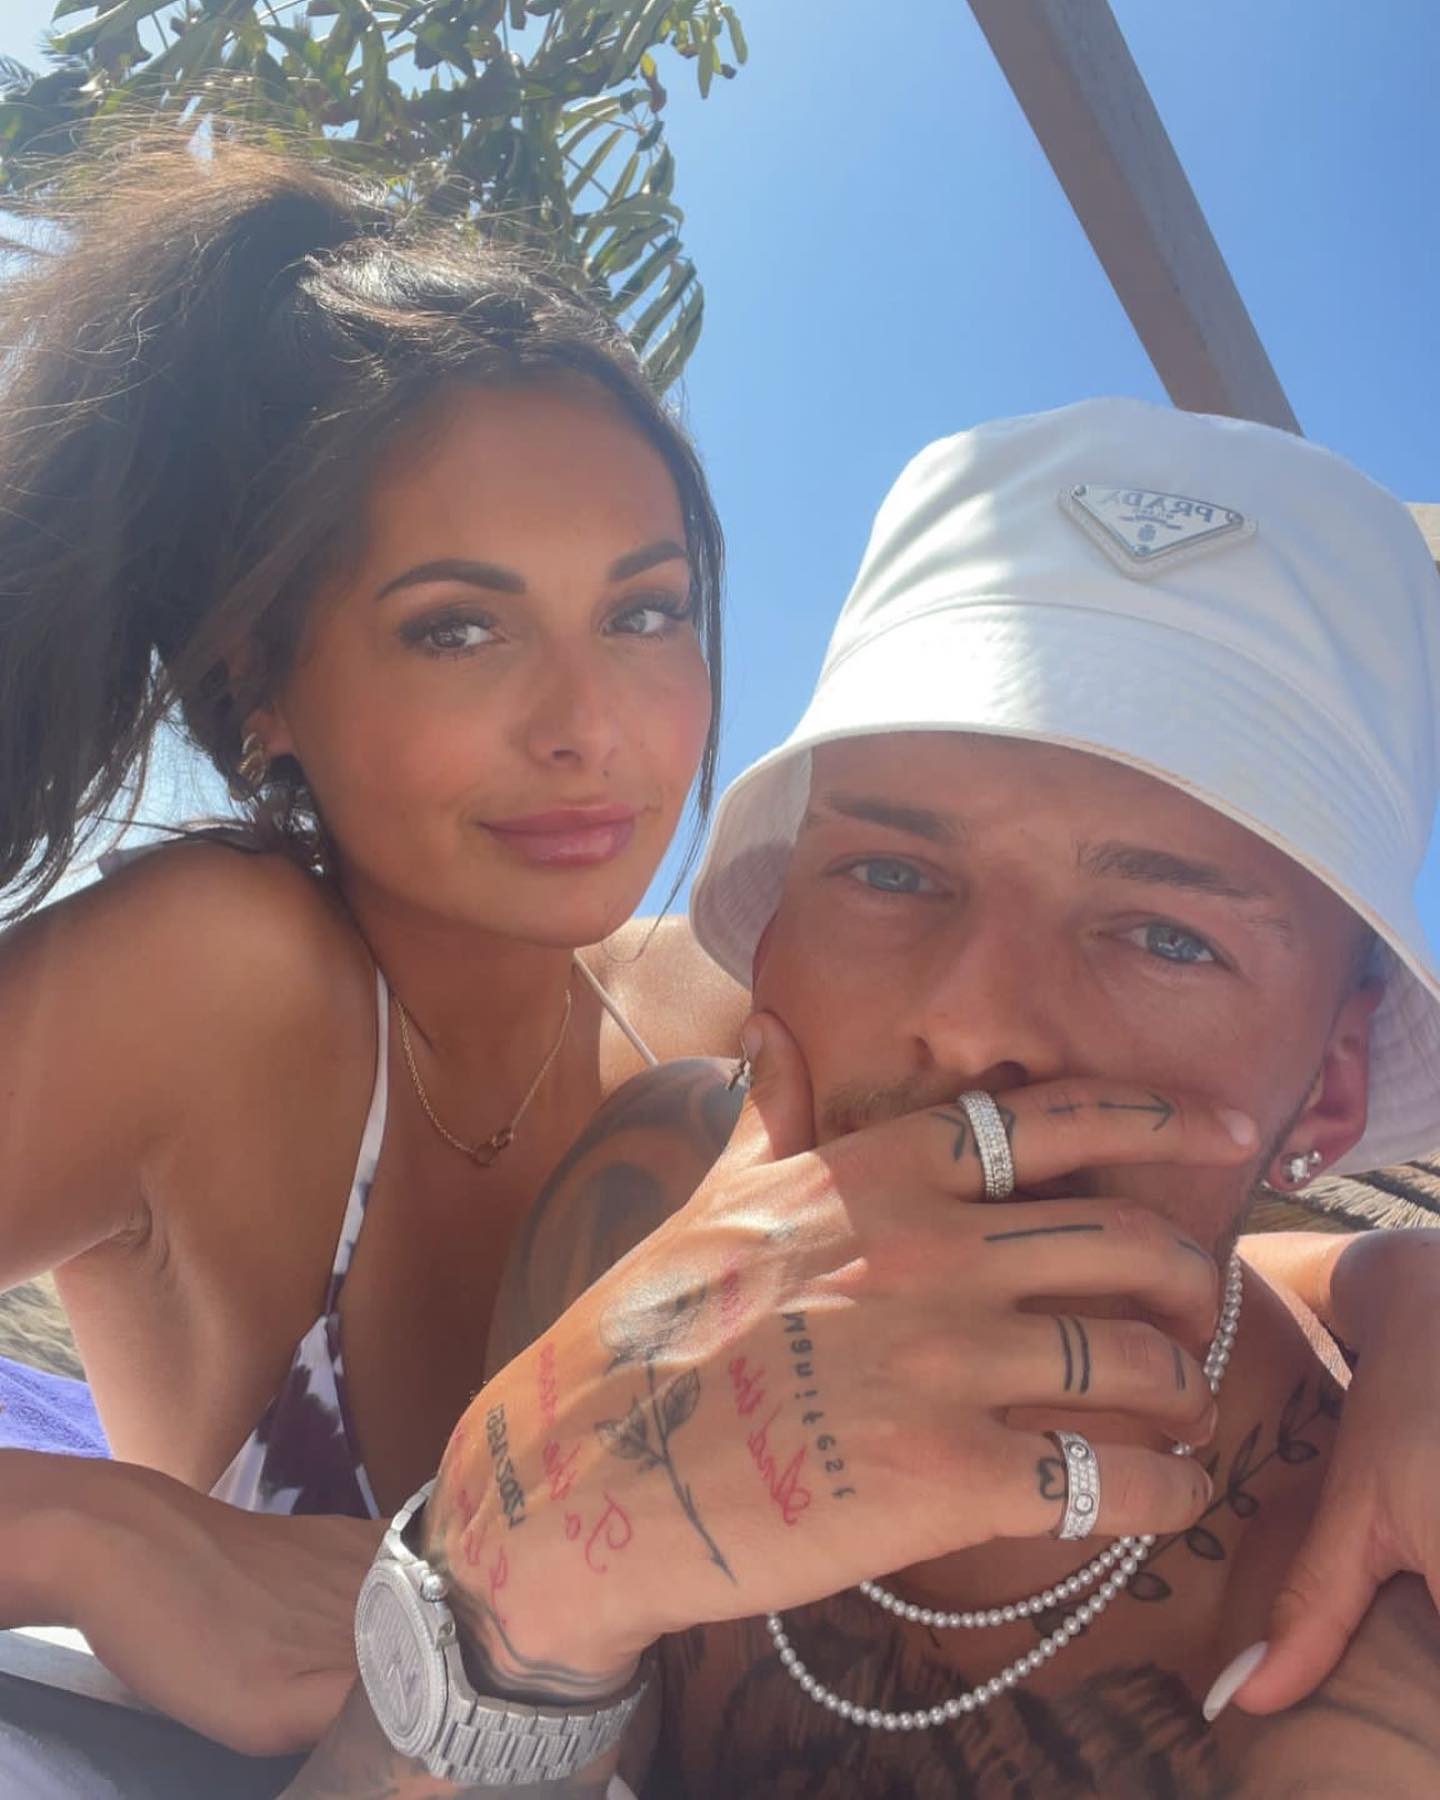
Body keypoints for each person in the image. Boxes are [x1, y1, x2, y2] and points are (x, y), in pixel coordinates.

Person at [0, 136, 1431, 1762]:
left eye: (645, 612)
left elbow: (1069, 1214)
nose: (587, 726)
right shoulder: (227, 972)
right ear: (262, 686)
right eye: (457, 627)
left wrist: (1404, 1293)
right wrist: (80, 1531)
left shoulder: (721, 1018)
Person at [298, 399, 1440, 1796]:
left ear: (1330, 1087)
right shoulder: (646, 1201)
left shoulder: (1344, 1627)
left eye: (1167, 936)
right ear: (775, 932)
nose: (969, 1019)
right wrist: (501, 1597)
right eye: (891, 873)